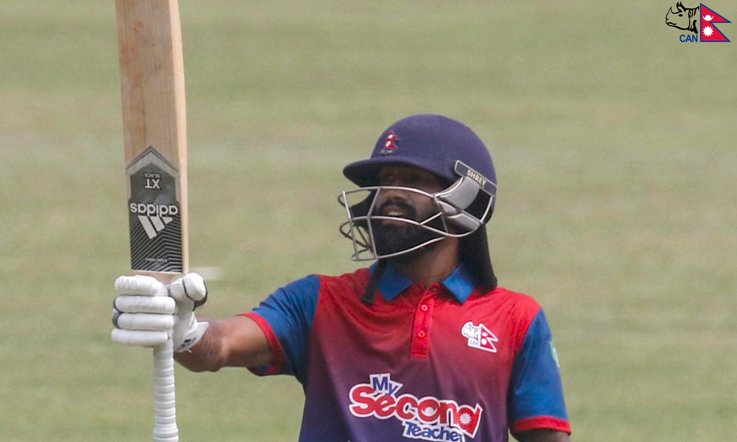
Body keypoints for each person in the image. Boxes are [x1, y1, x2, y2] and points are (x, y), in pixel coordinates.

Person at [112, 114, 572, 442]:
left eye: (413, 181)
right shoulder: (321, 302)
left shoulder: (516, 320)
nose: (389, 195)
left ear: (466, 201)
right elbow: (223, 346)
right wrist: (186, 331)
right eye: (384, 181)